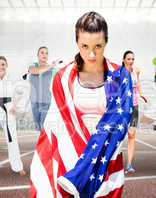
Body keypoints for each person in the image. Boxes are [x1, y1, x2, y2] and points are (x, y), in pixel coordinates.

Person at [30, 11, 132, 198]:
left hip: (106, 163)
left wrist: (91, 163)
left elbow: (121, 122)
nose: (91, 54)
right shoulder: (62, 78)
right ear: (76, 41)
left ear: (107, 41)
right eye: (84, 46)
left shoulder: (121, 76)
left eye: (98, 46)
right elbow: (55, 130)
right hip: (70, 164)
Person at [122, 51, 147, 174]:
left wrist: (141, 93)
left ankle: (129, 164)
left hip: (135, 106)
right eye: (129, 59)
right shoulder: (120, 73)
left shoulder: (136, 71)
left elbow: (138, 84)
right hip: (123, 108)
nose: (131, 61)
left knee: (131, 135)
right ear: (124, 60)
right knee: (119, 135)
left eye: (133, 59)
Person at [28, 46, 57, 132]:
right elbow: (36, 71)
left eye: (46, 53)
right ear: (37, 55)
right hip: (34, 102)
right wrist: (51, 65)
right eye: (42, 52)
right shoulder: (32, 65)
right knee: (39, 128)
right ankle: (44, 145)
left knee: (45, 128)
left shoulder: (53, 70)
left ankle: (47, 145)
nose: (44, 55)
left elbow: (61, 81)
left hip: (46, 102)